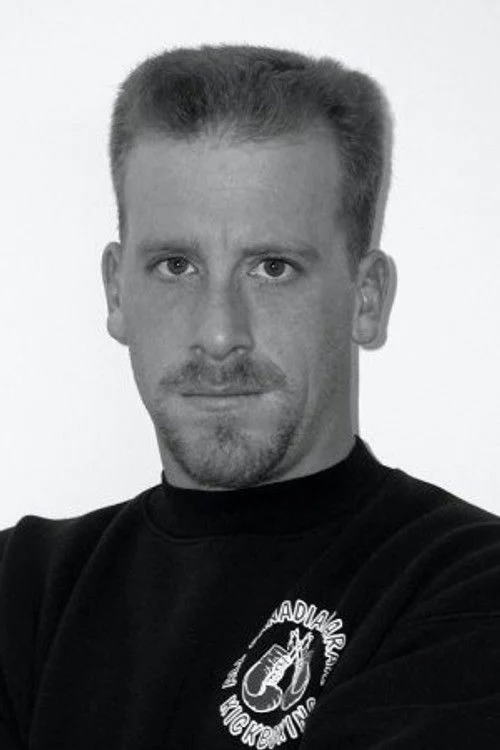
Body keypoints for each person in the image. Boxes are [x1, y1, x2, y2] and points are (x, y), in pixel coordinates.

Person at [1, 44, 499, 750]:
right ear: (116, 291)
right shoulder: (21, 591)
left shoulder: (467, 588)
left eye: (272, 268)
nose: (218, 335)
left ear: (366, 297)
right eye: (176, 265)